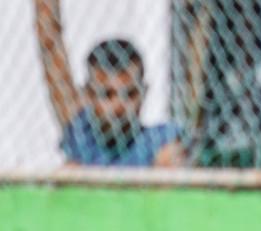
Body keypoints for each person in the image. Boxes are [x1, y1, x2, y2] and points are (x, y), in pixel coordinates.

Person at [33, 0, 183, 167]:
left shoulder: (158, 141)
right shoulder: (81, 136)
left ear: (144, 93)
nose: (119, 107)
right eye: (107, 95)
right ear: (88, 95)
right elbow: (50, 43)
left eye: (130, 94)